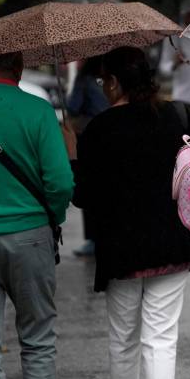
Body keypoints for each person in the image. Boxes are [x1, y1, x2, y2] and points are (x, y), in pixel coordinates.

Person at [63, 46, 190, 379]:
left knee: (123, 341)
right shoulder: (177, 116)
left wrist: (74, 155)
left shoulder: (98, 129)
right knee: (160, 340)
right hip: (172, 244)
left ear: (112, 82)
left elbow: (84, 198)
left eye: (102, 80)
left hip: (122, 250)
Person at [0, 51, 74, 379]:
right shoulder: (38, 110)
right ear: (17, 68)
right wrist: (53, 217)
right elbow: (61, 182)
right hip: (31, 236)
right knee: (38, 337)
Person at [66, 55, 108, 257]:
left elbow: (73, 105)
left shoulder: (85, 79)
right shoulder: (110, 76)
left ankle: (93, 239)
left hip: (90, 139)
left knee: (90, 188)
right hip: (114, 138)